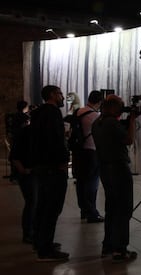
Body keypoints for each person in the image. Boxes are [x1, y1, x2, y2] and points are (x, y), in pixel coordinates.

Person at [91, 94, 139, 262]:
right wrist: (132, 120)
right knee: (124, 209)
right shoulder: (112, 122)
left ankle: (108, 246)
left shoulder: (97, 122)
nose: (122, 108)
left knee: (111, 208)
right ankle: (120, 250)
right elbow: (129, 139)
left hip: (105, 169)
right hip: (118, 168)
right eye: (120, 105)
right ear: (112, 107)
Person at [29, 85, 70, 261]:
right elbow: (54, 140)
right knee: (52, 208)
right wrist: (62, 161)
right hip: (53, 168)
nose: (62, 97)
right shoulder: (52, 113)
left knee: (43, 206)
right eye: (60, 94)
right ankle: (45, 250)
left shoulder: (38, 113)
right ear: (53, 95)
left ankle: (40, 242)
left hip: (41, 166)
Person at [72, 90, 104, 223]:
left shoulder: (78, 112)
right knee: (92, 184)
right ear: (100, 102)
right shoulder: (96, 116)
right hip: (92, 152)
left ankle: (84, 211)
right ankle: (92, 213)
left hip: (80, 152)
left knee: (81, 182)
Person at [9, 116, 37, 245]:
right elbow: (14, 155)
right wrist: (23, 170)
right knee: (32, 202)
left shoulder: (32, 132)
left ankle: (33, 232)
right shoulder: (25, 133)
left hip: (33, 172)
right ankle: (28, 233)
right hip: (28, 173)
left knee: (34, 203)